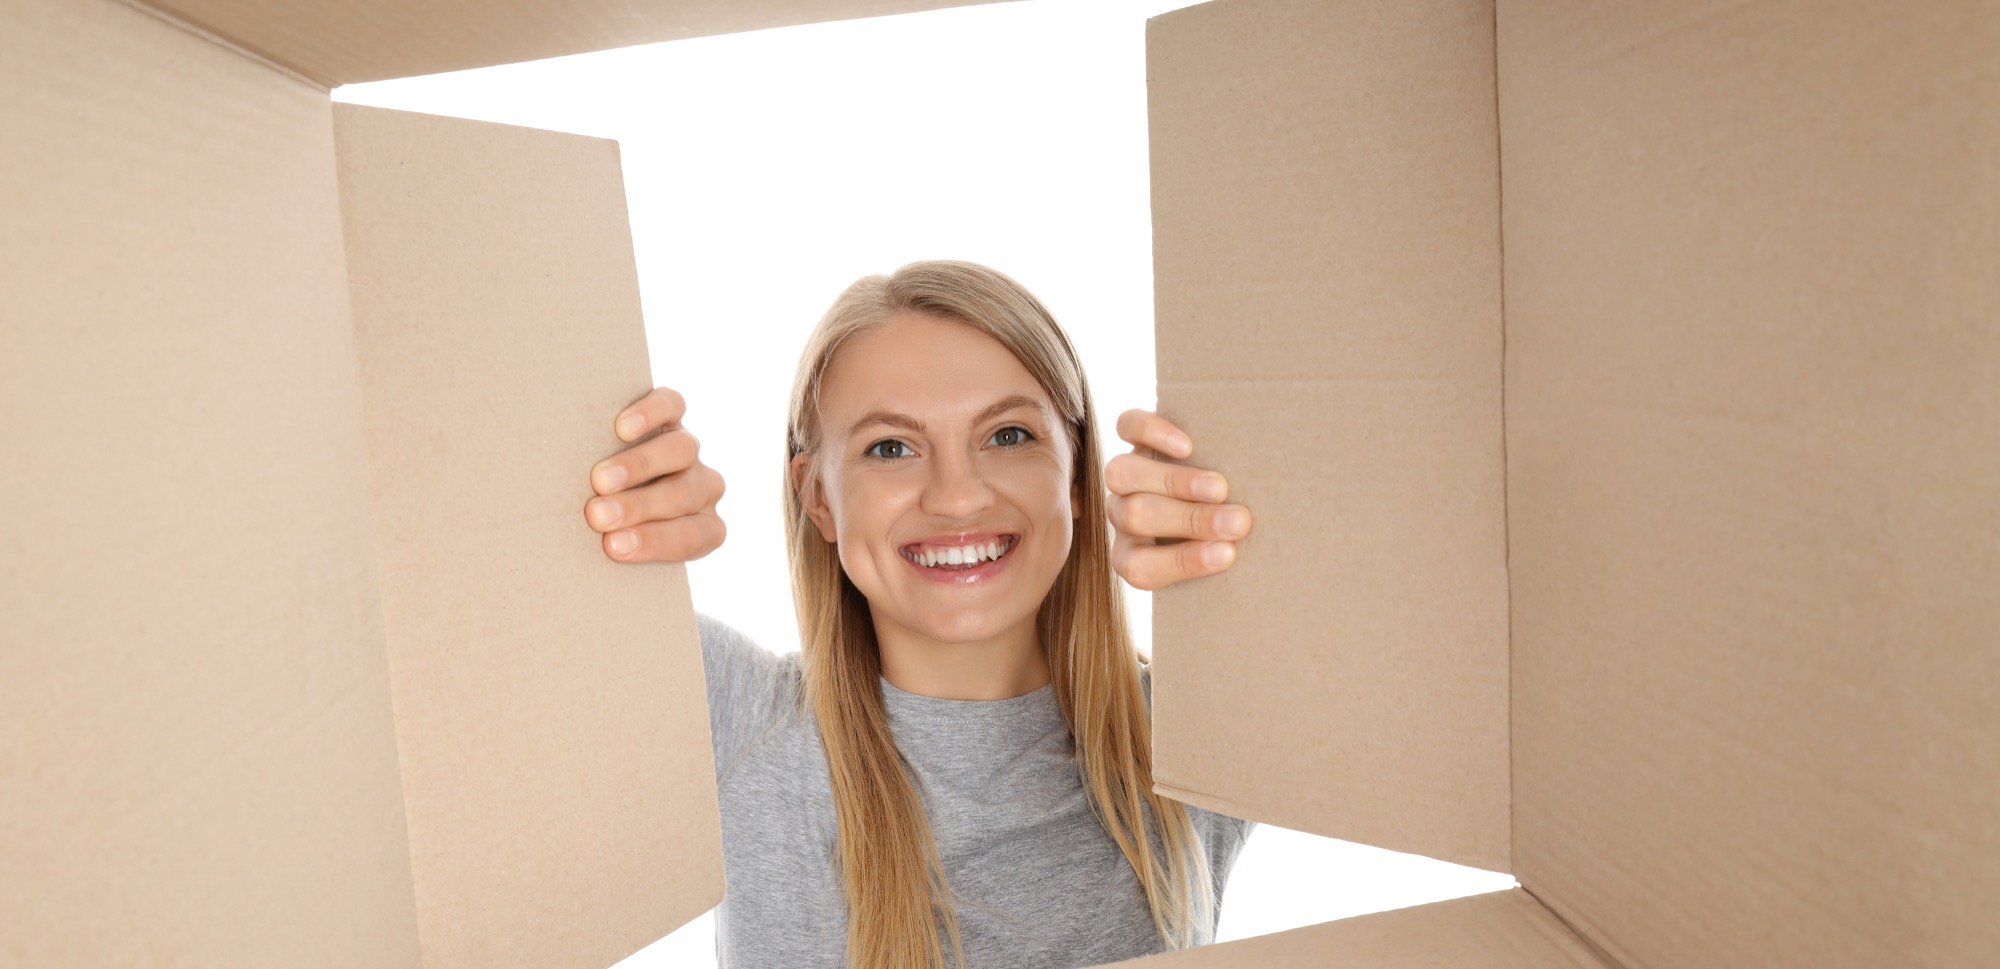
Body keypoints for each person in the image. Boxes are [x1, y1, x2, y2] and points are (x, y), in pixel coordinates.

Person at [581, 260, 1257, 969]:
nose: (957, 497)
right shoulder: (733, 719)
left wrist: (1236, 535)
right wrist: (597, 511)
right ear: (818, 497)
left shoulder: (1185, 734)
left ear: (1080, 474)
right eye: (891, 448)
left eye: (1008, 435)